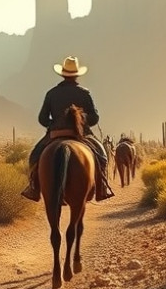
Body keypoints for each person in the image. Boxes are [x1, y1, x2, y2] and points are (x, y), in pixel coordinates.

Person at [21, 56, 114, 202]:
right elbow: (94, 118)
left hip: (55, 134)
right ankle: (102, 188)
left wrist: (54, 124)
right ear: (77, 75)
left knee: (34, 156)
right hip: (80, 135)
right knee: (102, 156)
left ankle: (33, 188)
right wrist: (81, 121)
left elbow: (42, 119)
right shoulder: (84, 93)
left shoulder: (51, 93)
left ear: (63, 74)